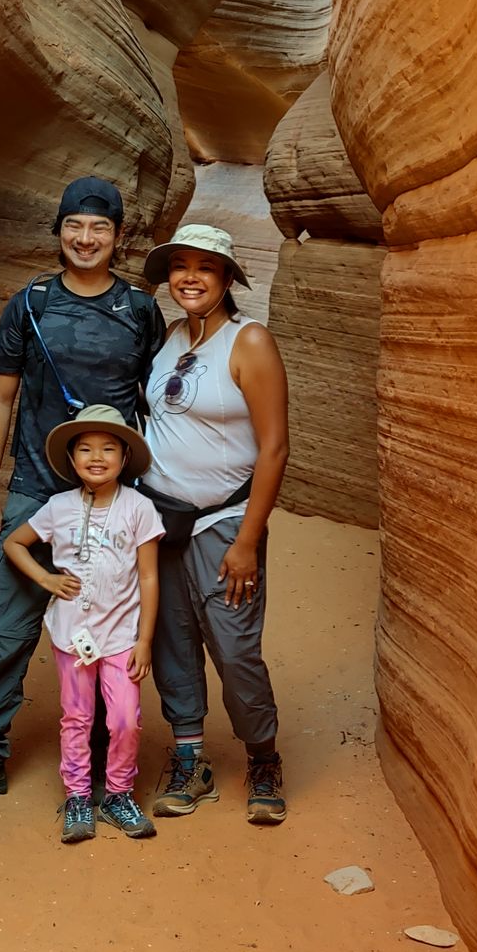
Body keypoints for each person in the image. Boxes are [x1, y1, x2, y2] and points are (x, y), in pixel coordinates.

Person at [0, 175, 167, 807]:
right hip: (34, 488)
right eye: (74, 227)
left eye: (100, 229)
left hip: (114, 497)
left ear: (119, 238)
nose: (86, 239)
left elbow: (157, 402)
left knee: (113, 625)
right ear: (59, 232)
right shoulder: (28, 304)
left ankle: (110, 766)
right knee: (3, 628)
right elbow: (0, 397)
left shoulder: (139, 311)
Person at [139, 223, 292, 824]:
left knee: (234, 648)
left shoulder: (249, 341)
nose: (190, 278)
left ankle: (263, 758)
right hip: (162, 520)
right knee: (173, 640)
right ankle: (190, 758)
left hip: (225, 522)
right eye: (180, 266)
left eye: (205, 267)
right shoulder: (172, 338)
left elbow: (275, 447)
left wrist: (249, 539)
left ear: (228, 277)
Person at [5, 407, 165, 845]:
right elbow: (14, 543)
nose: (97, 457)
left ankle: (118, 793)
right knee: (77, 716)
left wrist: (146, 640)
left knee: (125, 720)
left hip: (120, 638)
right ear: (72, 459)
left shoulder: (140, 508)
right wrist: (45, 579)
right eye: (86, 449)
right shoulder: (58, 507)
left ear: (125, 455)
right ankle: (78, 795)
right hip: (71, 637)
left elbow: (149, 575)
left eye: (108, 448)